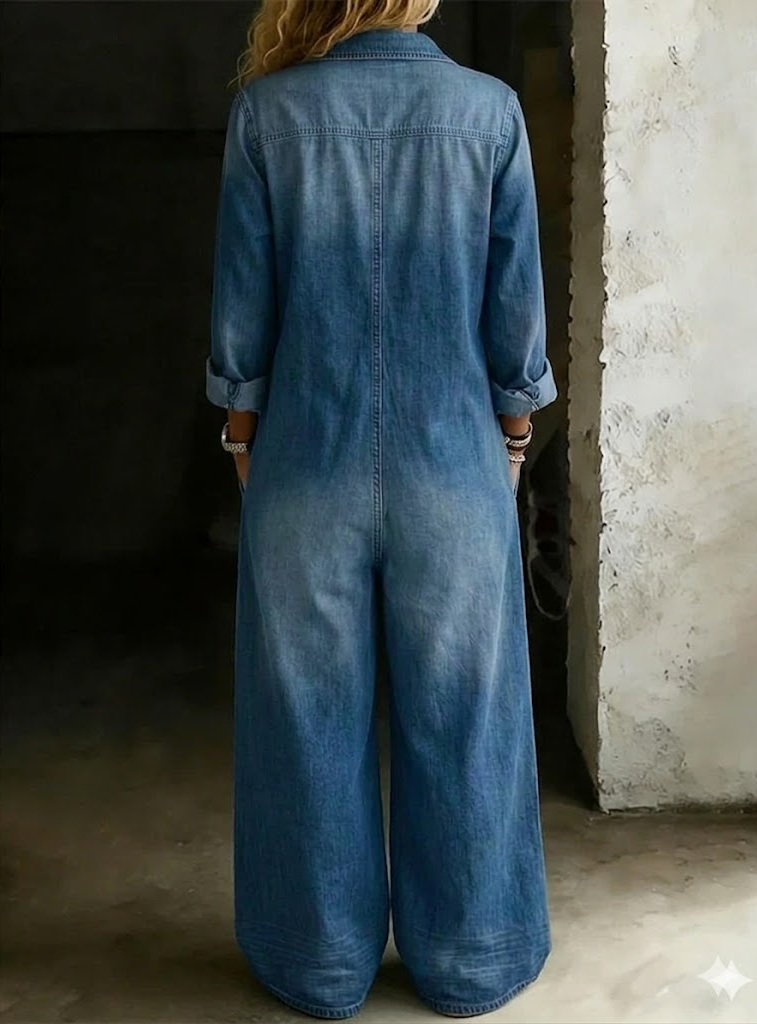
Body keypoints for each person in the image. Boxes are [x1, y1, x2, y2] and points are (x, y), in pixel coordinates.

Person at [205, 0, 557, 1018]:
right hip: (454, 465)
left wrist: (243, 439)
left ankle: (316, 963)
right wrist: (512, 442)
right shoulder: (489, 112)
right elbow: (515, 314)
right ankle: (473, 959)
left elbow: (243, 308)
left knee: (304, 715)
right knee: (469, 711)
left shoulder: (268, 115)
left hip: (302, 463)